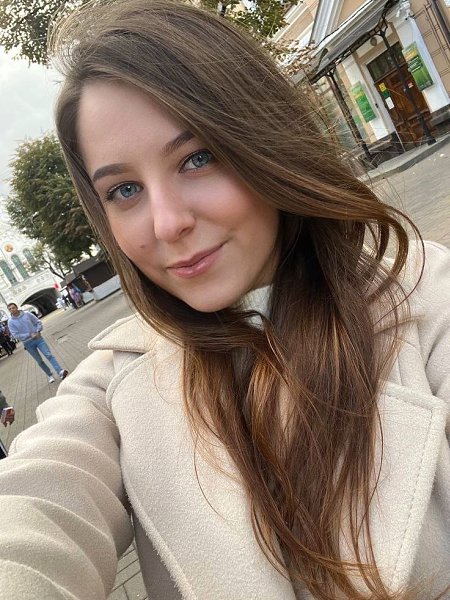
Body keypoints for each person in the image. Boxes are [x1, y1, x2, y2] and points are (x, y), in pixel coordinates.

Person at [0, 1, 448, 599]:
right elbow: (36, 511)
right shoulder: (110, 385)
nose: (167, 223)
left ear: (265, 141)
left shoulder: (426, 299)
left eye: (198, 158)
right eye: (124, 190)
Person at [7, 303, 68, 383]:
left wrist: (38, 331)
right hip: (28, 343)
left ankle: (60, 371)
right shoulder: (10, 322)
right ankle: (49, 374)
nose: (12, 310)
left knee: (48, 355)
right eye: (10, 309)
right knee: (39, 361)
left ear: (17, 307)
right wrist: (29, 335)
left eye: (13, 308)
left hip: (38, 339)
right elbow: (15, 335)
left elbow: (38, 322)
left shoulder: (27, 314)